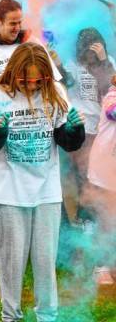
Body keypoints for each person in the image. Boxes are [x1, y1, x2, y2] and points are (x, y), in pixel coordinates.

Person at [0, 43, 85, 322]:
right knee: (11, 264)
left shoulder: (55, 92)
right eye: (26, 81)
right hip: (10, 192)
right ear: (14, 73)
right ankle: (10, 316)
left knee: (45, 262)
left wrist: (75, 129)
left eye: (39, 81)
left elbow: (67, 142)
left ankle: (47, 316)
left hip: (46, 190)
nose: (32, 86)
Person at [0, 0, 62, 270]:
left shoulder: (32, 44)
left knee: (41, 189)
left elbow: (55, 84)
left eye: (20, 21)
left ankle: (39, 251)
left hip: (36, 133)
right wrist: (16, 109)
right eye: (12, 23)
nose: (17, 27)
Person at [59, 28, 115, 228]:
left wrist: (102, 61)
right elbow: (66, 81)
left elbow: (111, 88)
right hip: (81, 127)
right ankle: (85, 219)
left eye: (94, 51)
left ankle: (96, 218)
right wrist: (56, 62)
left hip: (102, 132)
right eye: (87, 52)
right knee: (81, 175)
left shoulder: (107, 61)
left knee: (98, 177)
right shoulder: (74, 64)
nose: (90, 56)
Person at [87, 74, 116, 285]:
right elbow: (113, 112)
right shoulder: (111, 97)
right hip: (105, 172)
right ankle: (100, 267)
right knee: (106, 220)